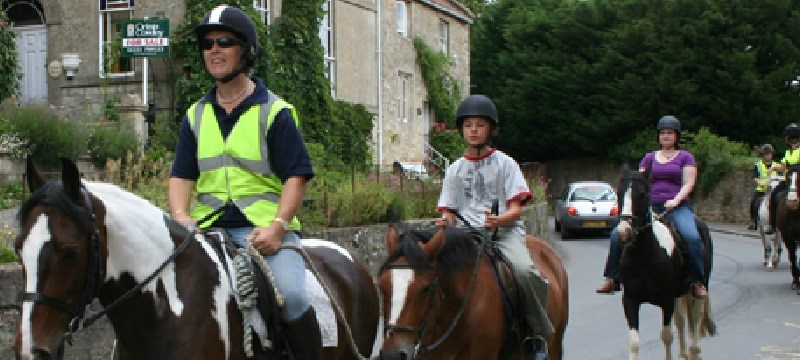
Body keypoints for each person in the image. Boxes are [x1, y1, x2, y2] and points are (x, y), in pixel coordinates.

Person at [167, 5, 319, 359]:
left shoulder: (275, 112)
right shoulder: (195, 115)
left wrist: (279, 227)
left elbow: (296, 177)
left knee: (293, 296)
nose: (214, 50)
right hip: (205, 229)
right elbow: (181, 176)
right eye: (207, 44)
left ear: (246, 51)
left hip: (262, 232)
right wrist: (179, 215)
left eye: (224, 41)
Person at [434, 94, 554, 357]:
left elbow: (516, 208)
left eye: (479, 125)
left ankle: (534, 334)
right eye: (468, 125)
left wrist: (499, 220)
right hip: (465, 237)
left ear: (491, 129)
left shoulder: (505, 164)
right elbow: (450, 211)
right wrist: (445, 221)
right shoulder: (454, 169)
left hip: (503, 234)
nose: (473, 130)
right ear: (461, 130)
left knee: (524, 271)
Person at [596, 115, 708, 298]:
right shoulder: (649, 158)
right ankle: (612, 278)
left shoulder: (686, 157)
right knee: (618, 234)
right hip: (650, 208)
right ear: (658, 137)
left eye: (670, 133)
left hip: (677, 207)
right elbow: (639, 182)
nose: (666, 136)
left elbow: (689, 183)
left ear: (676, 136)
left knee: (691, 237)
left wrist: (675, 200)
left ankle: (696, 281)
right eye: (662, 133)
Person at [765, 123, 800, 235]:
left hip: (798, 180)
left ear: (790, 137)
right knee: (774, 194)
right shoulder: (787, 152)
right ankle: (772, 225)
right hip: (788, 180)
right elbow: (783, 166)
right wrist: (774, 167)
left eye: (786, 136)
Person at [749, 144, 775, 230]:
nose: (768, 156)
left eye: (769, 154)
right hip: (761, 190)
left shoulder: (776, 165)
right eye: (766, 154)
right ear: (763, 155)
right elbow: (754, 177)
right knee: (753, 202)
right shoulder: (758, 165)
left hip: (772, 189)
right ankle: (753, 221)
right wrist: (759, 182)